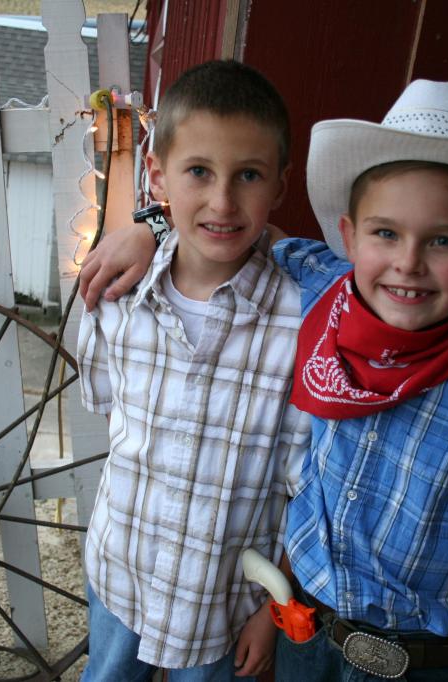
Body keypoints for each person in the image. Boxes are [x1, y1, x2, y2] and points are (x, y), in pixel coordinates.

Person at [80, 79, 448, 682]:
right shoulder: (321, 293)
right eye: (386, 233)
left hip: (396, 648)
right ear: (350, 237)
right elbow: (234, 239)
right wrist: (149, 228)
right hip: (245, 609)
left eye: (443, 240)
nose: (408, 262)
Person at [75, 59, 310, 682]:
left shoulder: (300, 322)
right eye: (198, 172)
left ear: (280, 185)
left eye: (249, 175)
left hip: (227, 597)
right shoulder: (116, 299)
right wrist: (148, 230)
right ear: (157, 177)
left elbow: (304, 482)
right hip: (122, 565)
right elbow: (111, 411)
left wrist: (275, 606)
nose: (223, 201)